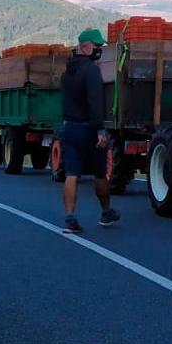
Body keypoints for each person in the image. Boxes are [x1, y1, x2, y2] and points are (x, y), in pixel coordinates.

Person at [59, 28, 119, 233]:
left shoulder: (67, 72)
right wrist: (100, 130)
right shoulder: (92, 71)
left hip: (69, 128)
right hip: (89, 129)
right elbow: (95, 102)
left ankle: (69, 217)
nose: (100, 49)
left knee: (72, 173)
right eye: (97, 46)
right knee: (100, 174)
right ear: (85, 47)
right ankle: (106, 212)